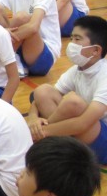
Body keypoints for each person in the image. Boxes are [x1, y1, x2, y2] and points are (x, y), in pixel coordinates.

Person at [27, 16, 107, 164]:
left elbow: (83, 123)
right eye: (71, 38)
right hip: (83, 134)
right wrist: (33, 119)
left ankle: (43, 140)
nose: (71, 44)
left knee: (73, 103)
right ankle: (57, 145)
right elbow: (39, 100)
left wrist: (42, 131)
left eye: (77, 39)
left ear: (96, 50)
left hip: (104, 141)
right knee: (43, 91)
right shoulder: (77, 70)